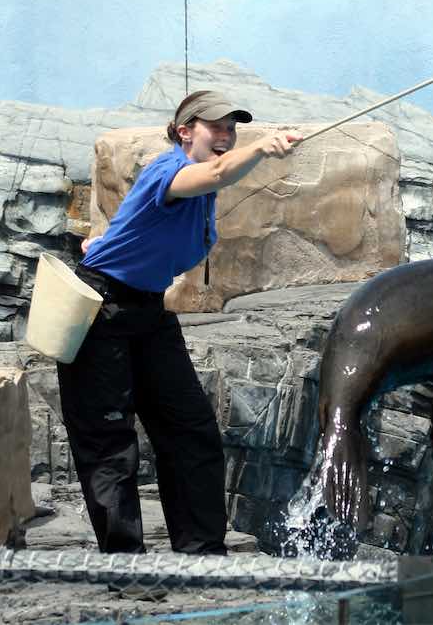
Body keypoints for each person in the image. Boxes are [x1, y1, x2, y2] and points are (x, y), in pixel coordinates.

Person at [57, 90, 301, 556]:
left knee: (191, 430)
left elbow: (146, 226)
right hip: (99, 309)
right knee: (109, 442)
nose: (226, 135)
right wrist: (262, 147)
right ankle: (127, 568)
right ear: (185, 131)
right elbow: (216, 172)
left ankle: (202, 554)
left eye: (232, 128)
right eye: (216, 126)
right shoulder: (170, 171)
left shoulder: (200, 189)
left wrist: (104, 242)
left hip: (148, 310)